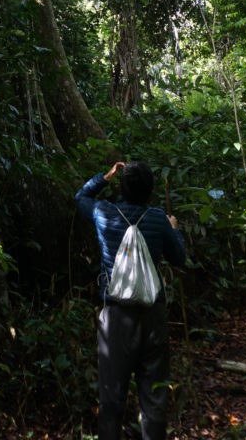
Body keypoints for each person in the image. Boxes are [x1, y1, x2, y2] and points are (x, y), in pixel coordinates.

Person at [75, 160, 185, 440]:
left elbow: (81, 198)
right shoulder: (158, 218)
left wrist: (105, 177)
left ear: (122, 187)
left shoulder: (103, 213)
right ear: (150, 190)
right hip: (153, 318)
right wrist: (174, 229)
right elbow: (179, 257)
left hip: (116, 320)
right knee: (154, 403)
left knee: (111, 402)